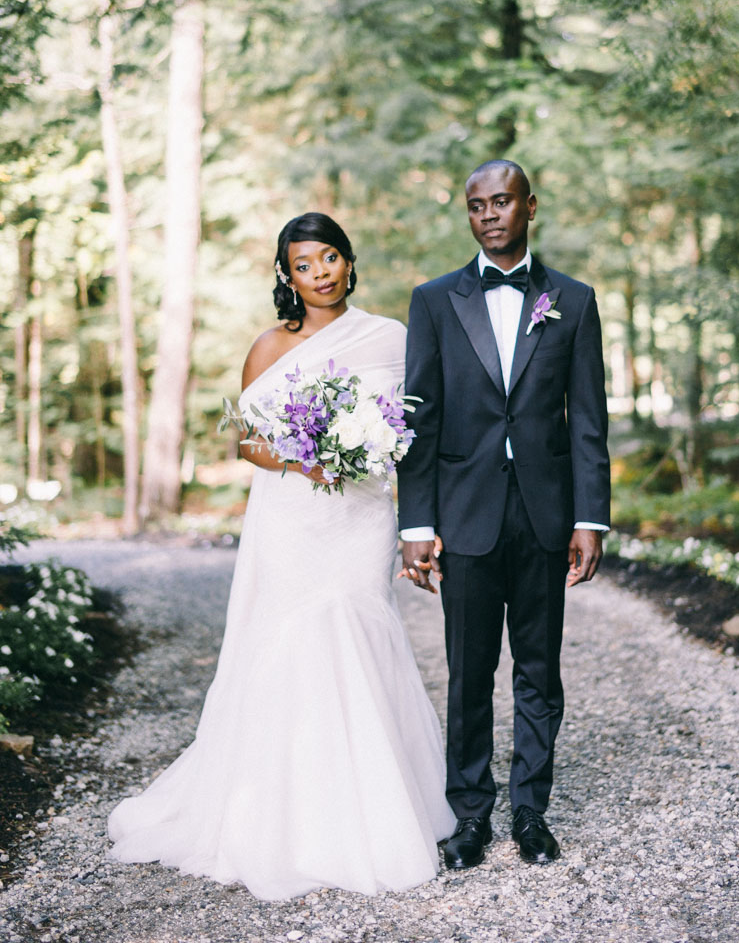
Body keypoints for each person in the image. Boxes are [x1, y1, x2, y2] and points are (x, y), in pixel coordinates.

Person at [108, 212, 455, 899]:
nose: (320, 272)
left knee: (358, 631)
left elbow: (414, 427)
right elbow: (245, 440)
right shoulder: (269, 346)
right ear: (286, 275)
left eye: (330, 257)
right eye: (305, 263)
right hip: (295, 516)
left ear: (349, 262)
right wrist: (309, 458)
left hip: (361, 519)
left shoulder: (392, 338)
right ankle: (284, 817)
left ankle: (377, 804)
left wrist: (371, 462)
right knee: (292, 641)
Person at [397, 160, 610, 871]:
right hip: (466, 515)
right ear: (469, 214)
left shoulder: (572, 301)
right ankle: (469, 817)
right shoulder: (433, 302)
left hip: (548, 516)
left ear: (530, 207)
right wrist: (416, 525)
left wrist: (591, 517)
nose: (490, 214)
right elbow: (418, 421)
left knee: (539, 671)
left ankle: (530, 812)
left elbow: (587, 420)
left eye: (503, 202)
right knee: (468, 671)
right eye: (477, 205)